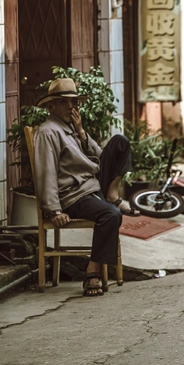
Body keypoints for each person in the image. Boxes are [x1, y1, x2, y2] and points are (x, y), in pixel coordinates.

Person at [32, 79, 136, 297]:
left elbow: (98, 156)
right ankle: (92, 272)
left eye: (73, 102)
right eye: (64, 102)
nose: (71, 107)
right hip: (73, 196)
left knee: (120, 142)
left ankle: (112, 193)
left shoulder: (70, 127)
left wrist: (82, 134)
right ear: (51, 107)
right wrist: (54, 210)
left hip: (93, 185)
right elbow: (46, 173)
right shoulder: (48, 132)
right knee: (111, 214)